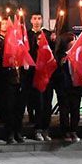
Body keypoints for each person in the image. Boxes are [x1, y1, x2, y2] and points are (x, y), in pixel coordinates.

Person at [28, 12, 53, 141]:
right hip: (35, 78)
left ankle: (45, 129)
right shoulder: (28, 35)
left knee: (47, 104)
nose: (37, 21)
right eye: (35, 18)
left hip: (47, 78)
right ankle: (37, 128)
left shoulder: (49, 35)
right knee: (38, 104)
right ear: (31, 20)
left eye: (39, 18)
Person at [54, 32, 82, 142]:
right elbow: (55, 72)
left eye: (75, 39)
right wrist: (61, 64)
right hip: (64, 87)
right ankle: (65, 131)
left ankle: (74, 131)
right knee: (64, 110)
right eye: (72, 39)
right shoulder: (60, 55)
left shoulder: (78, 54)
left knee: (75, 110)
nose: (74, 41)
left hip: (76, 87)